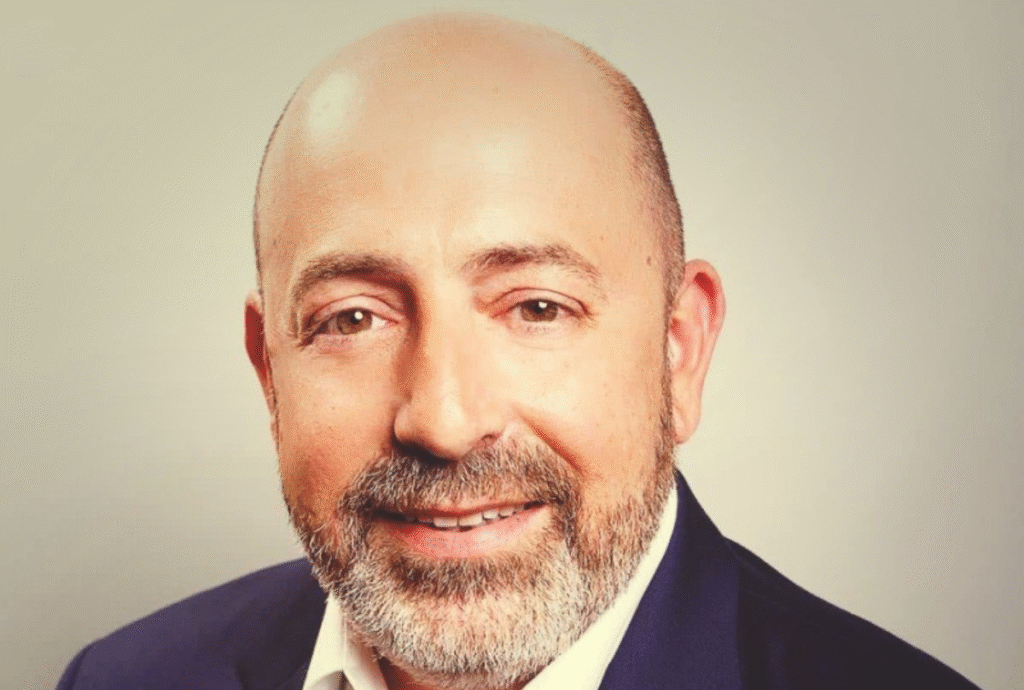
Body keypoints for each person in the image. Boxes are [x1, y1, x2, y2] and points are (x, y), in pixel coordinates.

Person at [55, 12, 980, 690]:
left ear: (679, 352)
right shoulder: (124, 679)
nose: (445, 421)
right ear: (270, 374)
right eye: (354, 319)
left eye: (537, 307)